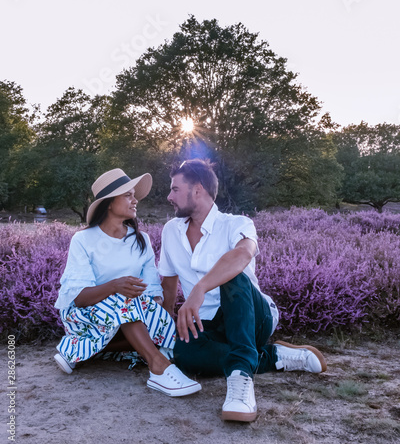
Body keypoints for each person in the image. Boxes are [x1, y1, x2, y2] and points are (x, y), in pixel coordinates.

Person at [159, 159, 327, 421]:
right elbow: (168, 283)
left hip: (252, 316)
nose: (169, 196)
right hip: (207, 323)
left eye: (175, 189)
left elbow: (242, 254)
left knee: (230, 274)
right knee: (184, 353)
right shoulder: (171, 230)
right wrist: (166, 324)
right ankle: (272, 356)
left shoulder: (237, 223)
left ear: (198, 190)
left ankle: (240, 381)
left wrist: (200, 289)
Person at [54, 168, 201, 397]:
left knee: (164, 327)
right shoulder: (83, 240)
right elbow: (79, 298)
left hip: (131, 313)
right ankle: (158, 367)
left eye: (134, 195)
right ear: (109, 203)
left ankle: (77, 349)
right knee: (124, 300)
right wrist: (115, 286)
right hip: (85, 315)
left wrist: (158, 318)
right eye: (128, 195)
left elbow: (153, 289)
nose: (135, 201)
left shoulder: (141, 240)